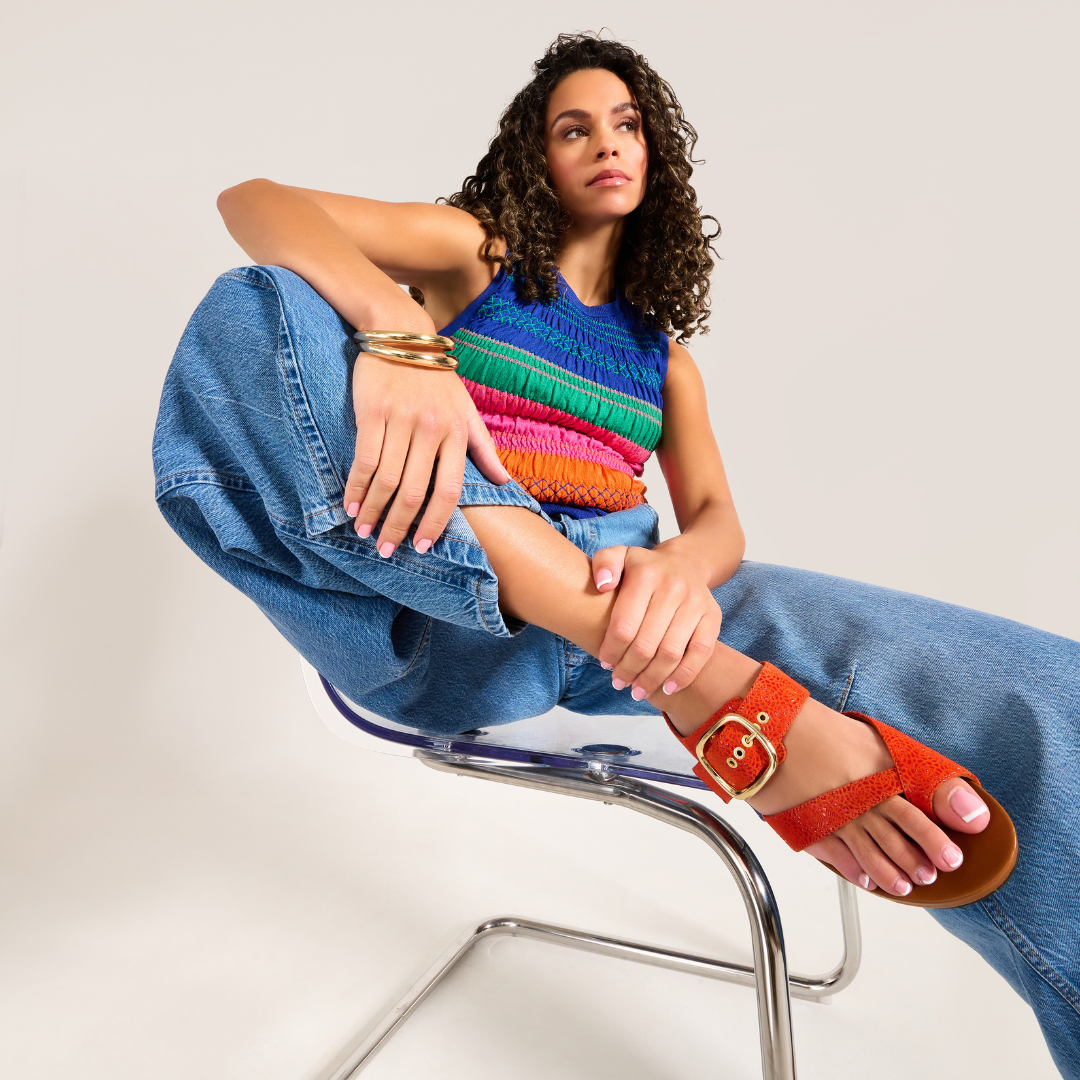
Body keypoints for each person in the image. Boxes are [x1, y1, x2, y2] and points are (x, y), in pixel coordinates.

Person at [153, 33, 1079, 1075]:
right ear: (533, 157)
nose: (607, 143)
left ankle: (675, 656)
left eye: (629, 124)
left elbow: (719, 518)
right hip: (440, 599)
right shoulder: (477, 255)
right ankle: (704, 684)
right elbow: (256, 199)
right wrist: (396, 334)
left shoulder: (664, 356)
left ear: (658, 158)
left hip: (633, 599)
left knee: (1055, 692)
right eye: (573, 126)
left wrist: (676, 578)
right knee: (257, 307)